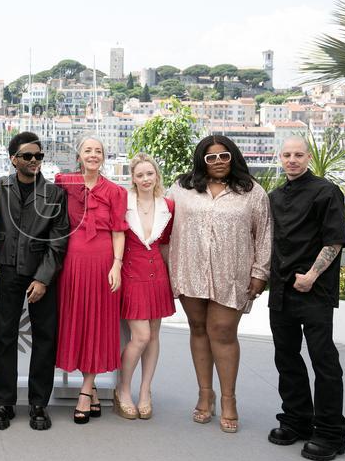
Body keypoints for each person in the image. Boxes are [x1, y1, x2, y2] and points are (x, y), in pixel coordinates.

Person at [168, 135, 271, 433]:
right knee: (198, 329)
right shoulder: (183, 188)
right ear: (201, 160)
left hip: (233, 273)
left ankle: (229, 399)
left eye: (223, 156)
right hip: (190, 269)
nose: (217, 163)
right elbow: (162, 220)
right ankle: (204, 394)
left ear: (233, 157)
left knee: (223, 332)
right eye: (210, 158)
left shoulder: (252, 192)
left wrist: (260, 272)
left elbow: (264, 234)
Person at [267, 136, 345, 461]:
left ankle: (331, 433)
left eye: (298, 155)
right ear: (280, 158)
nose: (292, 160)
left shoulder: (327, 192)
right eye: (287, 155)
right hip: (281, 291)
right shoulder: (273, 197)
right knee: (286, 358)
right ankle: (296, 420)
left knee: (323, 360)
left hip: (315, 291)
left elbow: (335, 241)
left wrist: (312, 276)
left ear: (309, 157)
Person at [0, 131, 69, 432]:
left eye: (38, 156)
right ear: (13, 159)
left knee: (45, 338)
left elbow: (58, 241)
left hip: (42, 274)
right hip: (9, 269)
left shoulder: (54, 194)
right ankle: (4, 403)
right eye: (27, 156)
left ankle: (38, 404)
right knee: (4, 336)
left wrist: (43, 279)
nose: (34, 161)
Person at [54, 137, 128, 424]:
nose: (93, 155)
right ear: (79, 155)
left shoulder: (115, 192)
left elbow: (119, 231)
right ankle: (92, 387)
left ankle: (85, 391)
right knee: (78, 321)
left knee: (97, 323)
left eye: (98, 151)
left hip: (103, 263)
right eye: (88, 150)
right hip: (72, 262)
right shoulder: (65, 182)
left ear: (104, 157)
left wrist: (117, 265)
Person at [115, 153, 176, 421]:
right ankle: (123, 389)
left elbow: (165, 245)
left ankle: (145, 391)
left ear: (156, 175)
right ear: (133, 178)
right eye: (140, 175)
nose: (145, 179)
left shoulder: (169, 206)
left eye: (149, 174)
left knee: (153, 336)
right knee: (139, 337)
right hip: (131, 274)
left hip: (158, 277)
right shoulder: (123, 203)